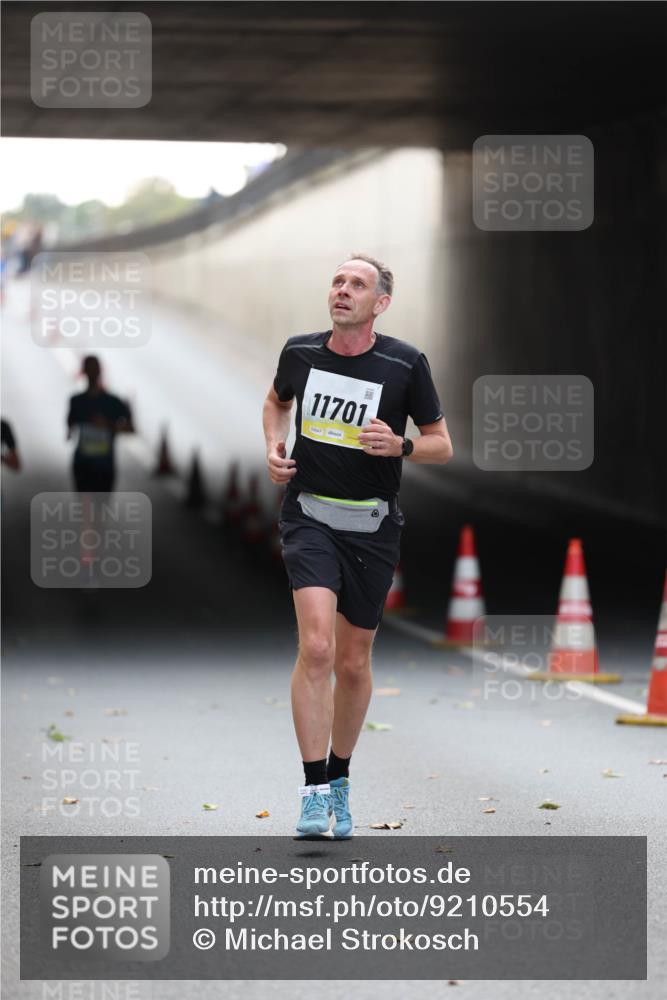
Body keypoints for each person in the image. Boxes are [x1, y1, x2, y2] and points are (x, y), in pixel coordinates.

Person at [263, 254, 453, 839]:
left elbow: (441, 445)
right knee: (317, 647)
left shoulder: (405, 363)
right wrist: (275, 446)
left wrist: (400, 447)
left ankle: (341, 780)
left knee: (352, 659)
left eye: (358, 284)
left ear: (380, 303)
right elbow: (278, 403)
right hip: (309, 517)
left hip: (372, 526)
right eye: (338, 281)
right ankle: (313, 788)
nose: (343, 290)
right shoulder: (301, 352)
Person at [67, 356, 134, 494]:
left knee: (99, 509)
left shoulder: (112, 402)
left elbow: (131, 428)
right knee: (86, 508)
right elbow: (69, 430)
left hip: (104, 464)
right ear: (84, 372)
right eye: (89, 369)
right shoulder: (76, 401)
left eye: (94, 369)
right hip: (83, 463)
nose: (91, 373)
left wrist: (108, 425)